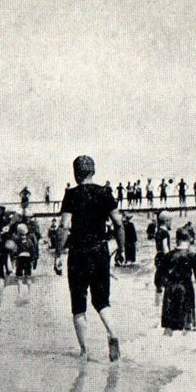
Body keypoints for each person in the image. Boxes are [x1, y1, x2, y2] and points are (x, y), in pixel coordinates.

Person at [55, 155, 124, 362]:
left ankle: (84, 351)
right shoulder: (105, 192)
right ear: (93, 171)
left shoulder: (71, 194)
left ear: (76, 173)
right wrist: (121, 249)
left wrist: (58, 254)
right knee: (102, 301)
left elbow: (65, 226)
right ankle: (112, 333)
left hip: (78, 253)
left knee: (78, 304)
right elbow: (118, 223)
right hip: (100, 251)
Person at [159, 227, 196, 335]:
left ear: (176, 239)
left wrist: (161, 286)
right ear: (190, 239)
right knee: (187, 323)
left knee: (169, 325)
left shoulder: (168, 255)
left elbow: (160, 275)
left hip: (170, 289)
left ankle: (164, 347)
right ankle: (186, 348)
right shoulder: (192, 255)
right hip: (186, 288)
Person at [12, 223, 37, 296]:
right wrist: (33, 259)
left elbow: (15, 251)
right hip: (28, 258)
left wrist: (14, 259)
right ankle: (29, 292)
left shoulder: (17, 241)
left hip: (20, 259)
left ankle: (20, 293)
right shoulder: (29, 241)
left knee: (19, 277)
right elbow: (32, 250)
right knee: (28, 276)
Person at [153, 210, 172, 305]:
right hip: (164, 258)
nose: (171, 223)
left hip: (158, 257)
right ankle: (165, 304)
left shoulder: (158, 231)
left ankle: (157, 303)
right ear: (166, 221)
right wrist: (170, 259)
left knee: (159, 282)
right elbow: (165, 247)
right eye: (170, 221)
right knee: (167, 280)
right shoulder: (165, 233)